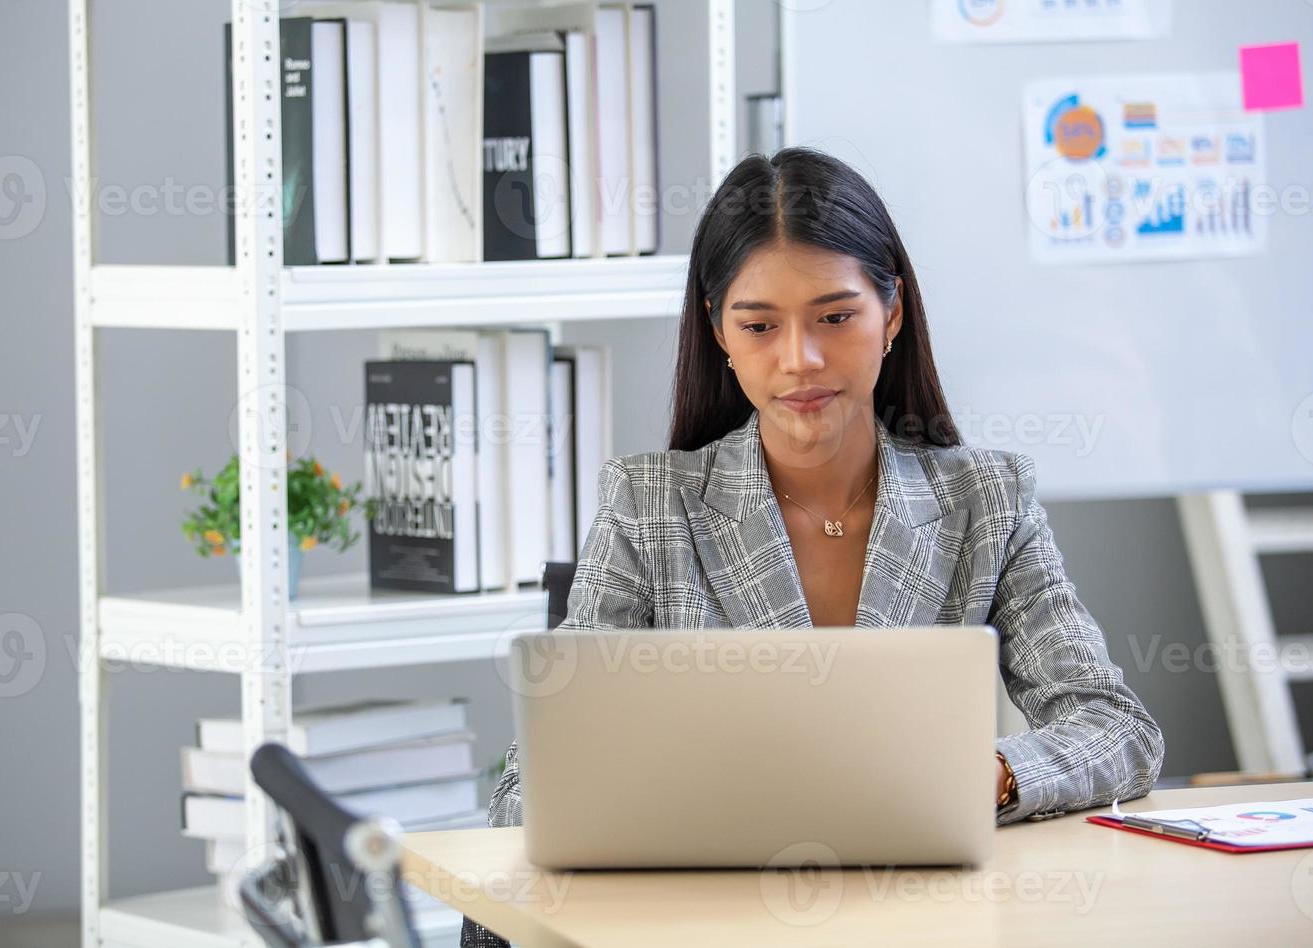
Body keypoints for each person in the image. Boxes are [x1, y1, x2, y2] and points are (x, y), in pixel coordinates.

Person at [459, 146, 1164, 948]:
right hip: (708, 927)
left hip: (922, 925)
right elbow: (528, 789)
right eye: (759, 326)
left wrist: (992, 777)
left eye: (836, 317)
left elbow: (1117, 727)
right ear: (719, 330)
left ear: (891, 313)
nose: (800, 359)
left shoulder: (986, 501)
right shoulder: (648, 503)